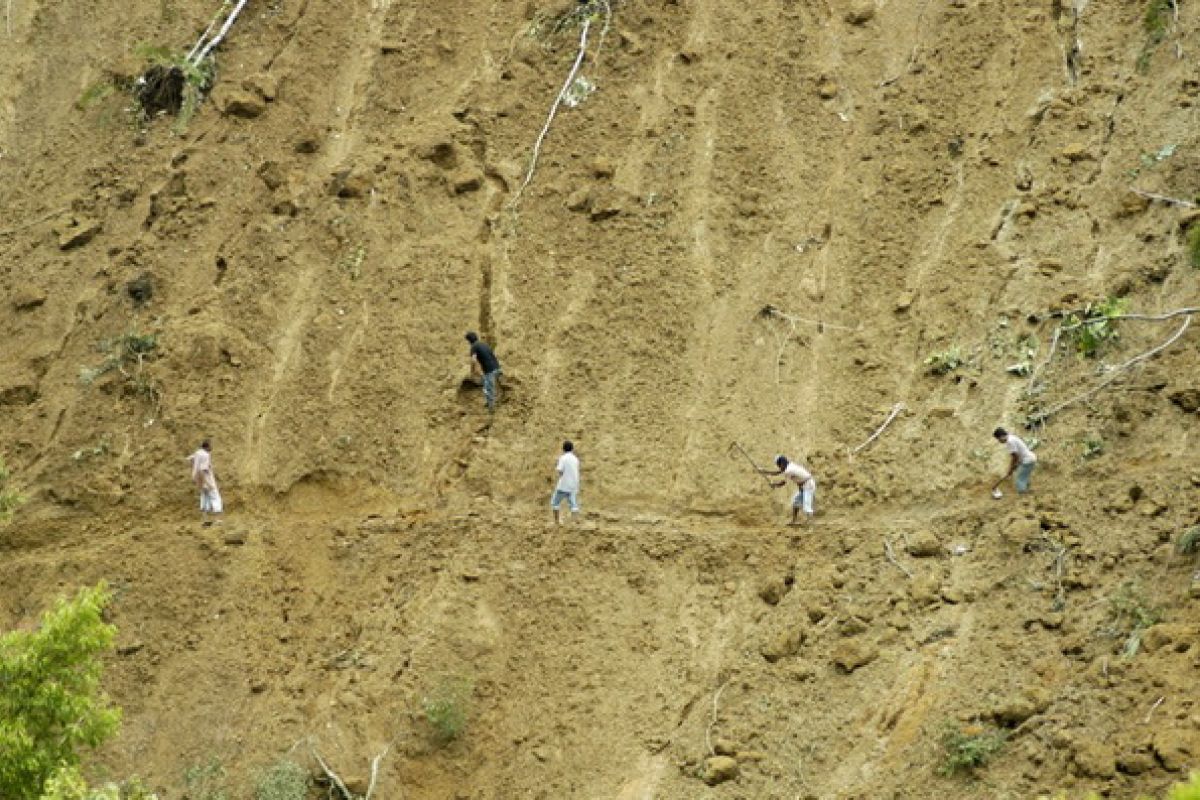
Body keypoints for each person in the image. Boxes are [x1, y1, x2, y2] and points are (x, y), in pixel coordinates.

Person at [760, 454, 816, 526]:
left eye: (779, 465)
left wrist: (774, 485)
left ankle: (810, 522)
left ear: (782, 463)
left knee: (807, 505)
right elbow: (779, 472)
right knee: (796, 501)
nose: (779, 467)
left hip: (808, 485)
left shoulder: (789, 470)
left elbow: (783, 483)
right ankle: (794, 521)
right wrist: (765, 471)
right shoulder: (789, 466)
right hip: (804, 485)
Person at [187, 439, 223, 525]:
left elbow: (189, 459)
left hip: (199, 480)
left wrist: (198, 479)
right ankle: (217, 520)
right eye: (211, 445)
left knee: (204, 498)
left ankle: (205, 520)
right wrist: (208, 483)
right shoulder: (206, 455)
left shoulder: (198, 453)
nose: (212, 447)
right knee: (215, 498)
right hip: (206, 479)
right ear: (207, 447)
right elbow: (202, 470)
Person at [465, 331, 502, 412]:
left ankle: (491, 409)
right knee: (488, 384)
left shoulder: (474, 347)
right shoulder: (483, 344)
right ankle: (491, 402)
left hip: (490, 370)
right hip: (497, 367)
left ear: (469, 341)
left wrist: (472, 371)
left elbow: (474, 360)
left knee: (488, 389)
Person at [994, 427, 1037, 494]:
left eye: (998, 439)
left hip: (1027, 460)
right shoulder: (1012, 437)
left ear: (1002, 436)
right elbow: (1017, 456)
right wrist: (1014, 467)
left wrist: (1011, 468)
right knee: (1024, 475)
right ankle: (1026, 488)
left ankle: (1022, 493)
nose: (999, 441)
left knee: (1019, 479)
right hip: (1030, 458)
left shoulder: (1009, 442)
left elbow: (1015, 457)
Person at [550, 440, 581, 525]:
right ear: (572, 449)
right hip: (573, 484)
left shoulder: (563, 458)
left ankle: (557, 521)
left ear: (563, 449)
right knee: (573, 503)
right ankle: (574, 521)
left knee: (555, 502)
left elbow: (560, 470)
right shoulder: (575, 459)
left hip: (564, 485)